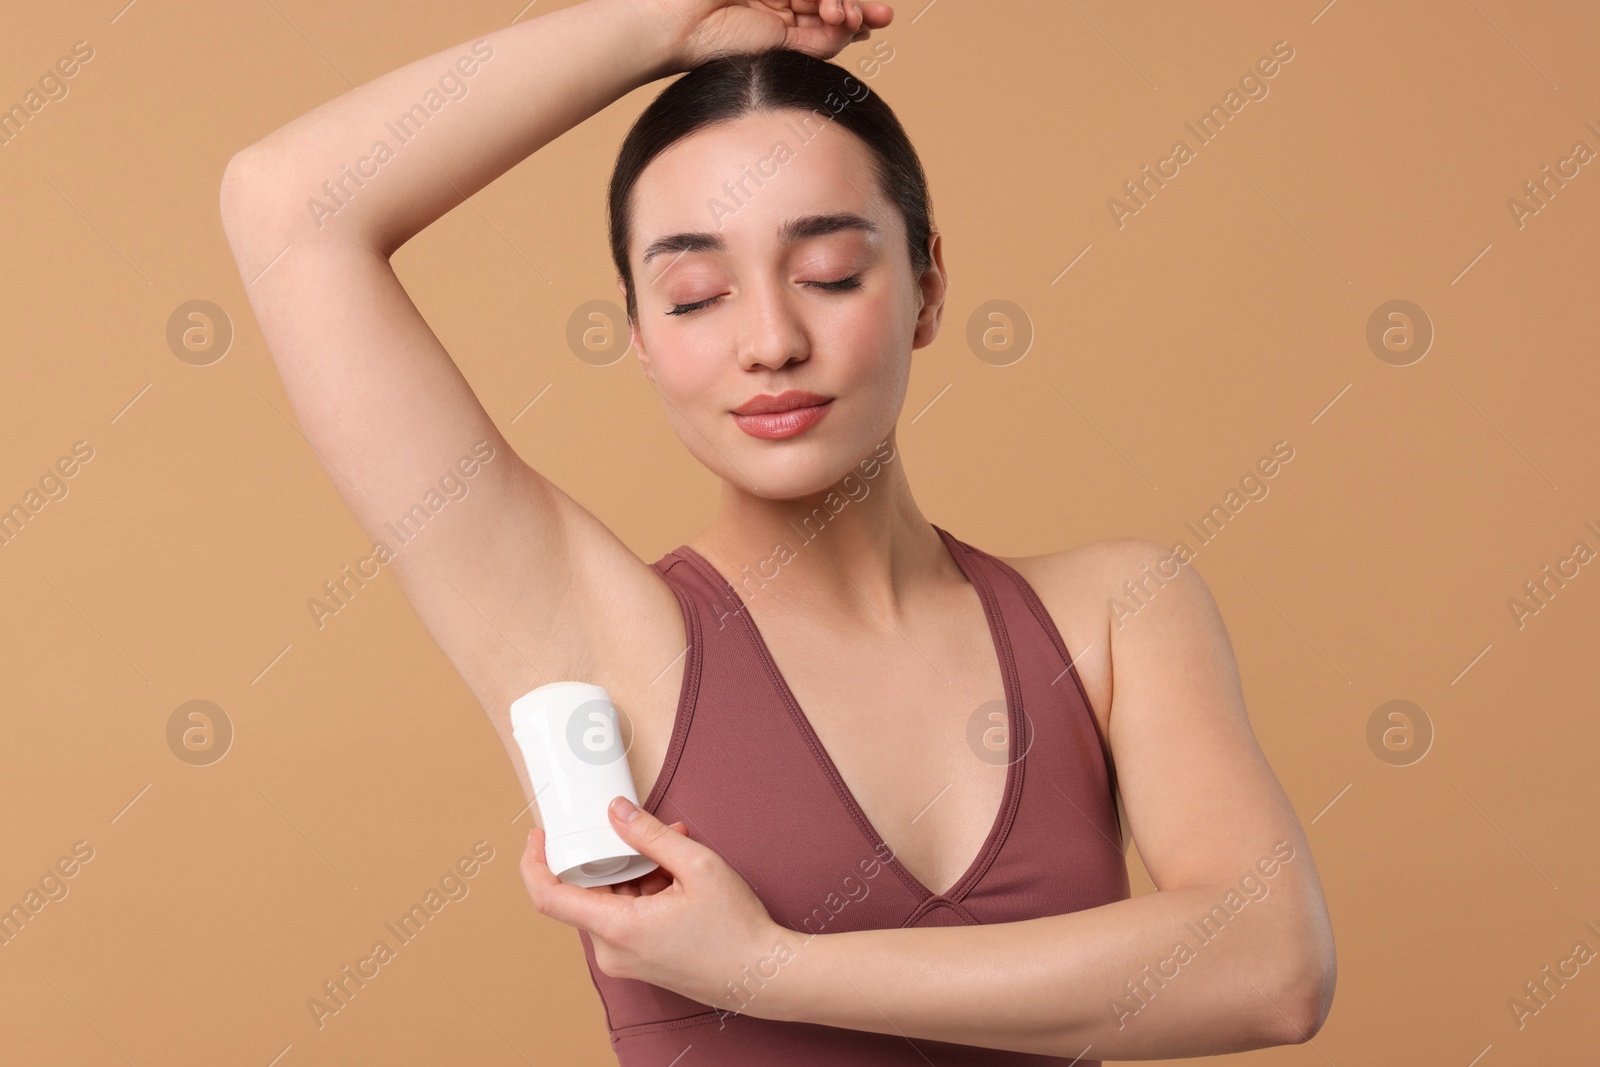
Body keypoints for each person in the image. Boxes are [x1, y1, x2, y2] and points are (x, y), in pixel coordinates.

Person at [219, 0, 1335, 1061]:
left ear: (928, 286)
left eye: (828, 272)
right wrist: (671, 22)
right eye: (696, 294)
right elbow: (289, 207)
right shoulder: (591, 631)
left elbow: (1271, 967)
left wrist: (767, 968)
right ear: (643, 336)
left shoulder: (1115, 613)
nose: (769, 339)